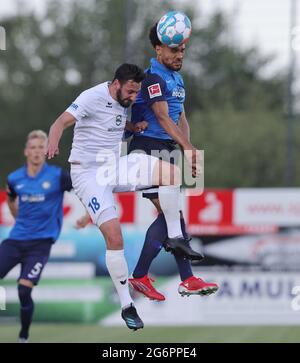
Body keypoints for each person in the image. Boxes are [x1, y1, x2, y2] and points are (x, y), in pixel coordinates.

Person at [46, 63, 203, 331]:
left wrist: (133, 126)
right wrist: (53, 142)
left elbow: (113, 125)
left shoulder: (123, 101)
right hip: (87, 175)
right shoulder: (91, 96)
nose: (133, 97)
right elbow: (60, 122)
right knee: (115, 237)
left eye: (136, 93)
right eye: (130, 92)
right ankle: (127, 306)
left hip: (113, 166)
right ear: (116, 84)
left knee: (171, 173)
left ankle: (176, 238)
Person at [127, 24, 219, 301]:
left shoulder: (177, 80)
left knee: (172, 218)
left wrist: (185, 150)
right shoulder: (153, 76)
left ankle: (162, 277)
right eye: (173, 49)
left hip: (166, 150)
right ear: (158, 48)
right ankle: (171, 277)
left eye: (182, 50)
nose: (180, 54)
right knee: (172, 218)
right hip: (147, 149)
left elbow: (180, 117)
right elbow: (163, 117)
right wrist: (188, 147)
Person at [0, 130, 73, 342]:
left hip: (40, 244)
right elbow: (11, 198)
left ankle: (23, 336)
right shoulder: (15, 178)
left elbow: (83, 190)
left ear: (46, 150)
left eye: (41, 147)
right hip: (15, 240)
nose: (36, 151)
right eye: (33, 148)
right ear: (26, 151)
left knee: (24, 290)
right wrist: (17, 216)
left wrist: (88, 216)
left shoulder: (58, 176)